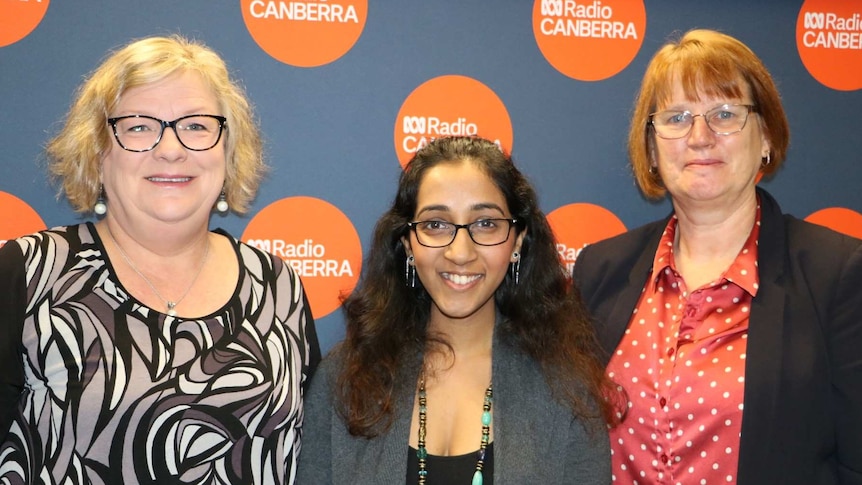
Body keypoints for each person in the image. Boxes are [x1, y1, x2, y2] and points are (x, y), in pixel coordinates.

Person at [0, 35, 320, 484]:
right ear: (97, 153)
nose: (170, 148)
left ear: (228, 152)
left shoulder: (278, 287)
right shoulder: (31, 274)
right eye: (138, 126)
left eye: (196, 126)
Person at [572, 29, 862, 484]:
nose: (700, 136)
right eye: (677, 117)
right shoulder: (600, 271)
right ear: (651, 147)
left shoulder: (837, 274)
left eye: (724, 114)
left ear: (765, 136)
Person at [296, 135, 615, 485]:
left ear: (517, 241)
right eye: (435, 224)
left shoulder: (566, 388)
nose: (460, 252)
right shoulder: (344, 379)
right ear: (407, 243)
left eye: (485, 224)